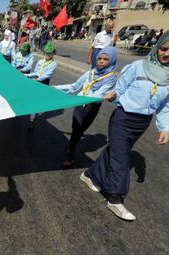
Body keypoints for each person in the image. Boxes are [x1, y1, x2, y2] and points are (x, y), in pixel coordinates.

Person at [82, 31, 169, 221]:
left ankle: (91, 175)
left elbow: (165, 106)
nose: (166, 54)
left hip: (142, 123)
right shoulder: (137, 67)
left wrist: (165, 128)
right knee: (121, 158)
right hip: (122, 118)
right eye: (164, 48)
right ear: (157, 48)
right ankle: (115, 198)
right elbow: (120, 89)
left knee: (116, 150)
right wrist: (114, 95)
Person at [54, 47, 118, 167]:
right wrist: (56, 88)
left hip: (91, 106)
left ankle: (71, 148)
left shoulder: (111, 78)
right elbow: (74, 86)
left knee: (79, 130)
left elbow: (97, 95)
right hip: (79, 104)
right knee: (75, 129)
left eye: (105, 59)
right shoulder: (91, 72)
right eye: (99, 58)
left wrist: (84, 95)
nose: (101, 61)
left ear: (112, 60)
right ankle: (70, 154)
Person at [27, 41, 58, 128]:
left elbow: (47, 75)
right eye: (46, 52)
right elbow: (36, 72)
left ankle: (31, 119)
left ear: (53, 53)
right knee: (33, 100)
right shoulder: (40, 61)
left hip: (43, 82)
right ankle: (31, 118)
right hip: (36, 81)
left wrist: (37, 80)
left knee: (37, 101)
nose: (47, 54)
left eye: (50, 53)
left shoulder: (53, 64)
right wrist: (28, 75)